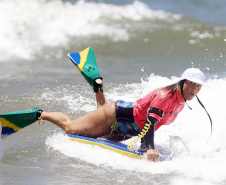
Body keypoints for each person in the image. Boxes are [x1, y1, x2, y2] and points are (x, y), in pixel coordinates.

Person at [36, 68, 208, 162]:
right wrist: (149, 148)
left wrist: (144, 143)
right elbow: (150, 122)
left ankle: (97, 87)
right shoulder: (166, 97)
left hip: (127, 127)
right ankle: (40, 114)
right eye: (191, 84)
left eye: (198, 86)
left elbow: (152, 125)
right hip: (116, 117)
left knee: (100, 135)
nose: (194, 89)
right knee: (70, 128)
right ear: (182, 82)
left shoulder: (181, 101)